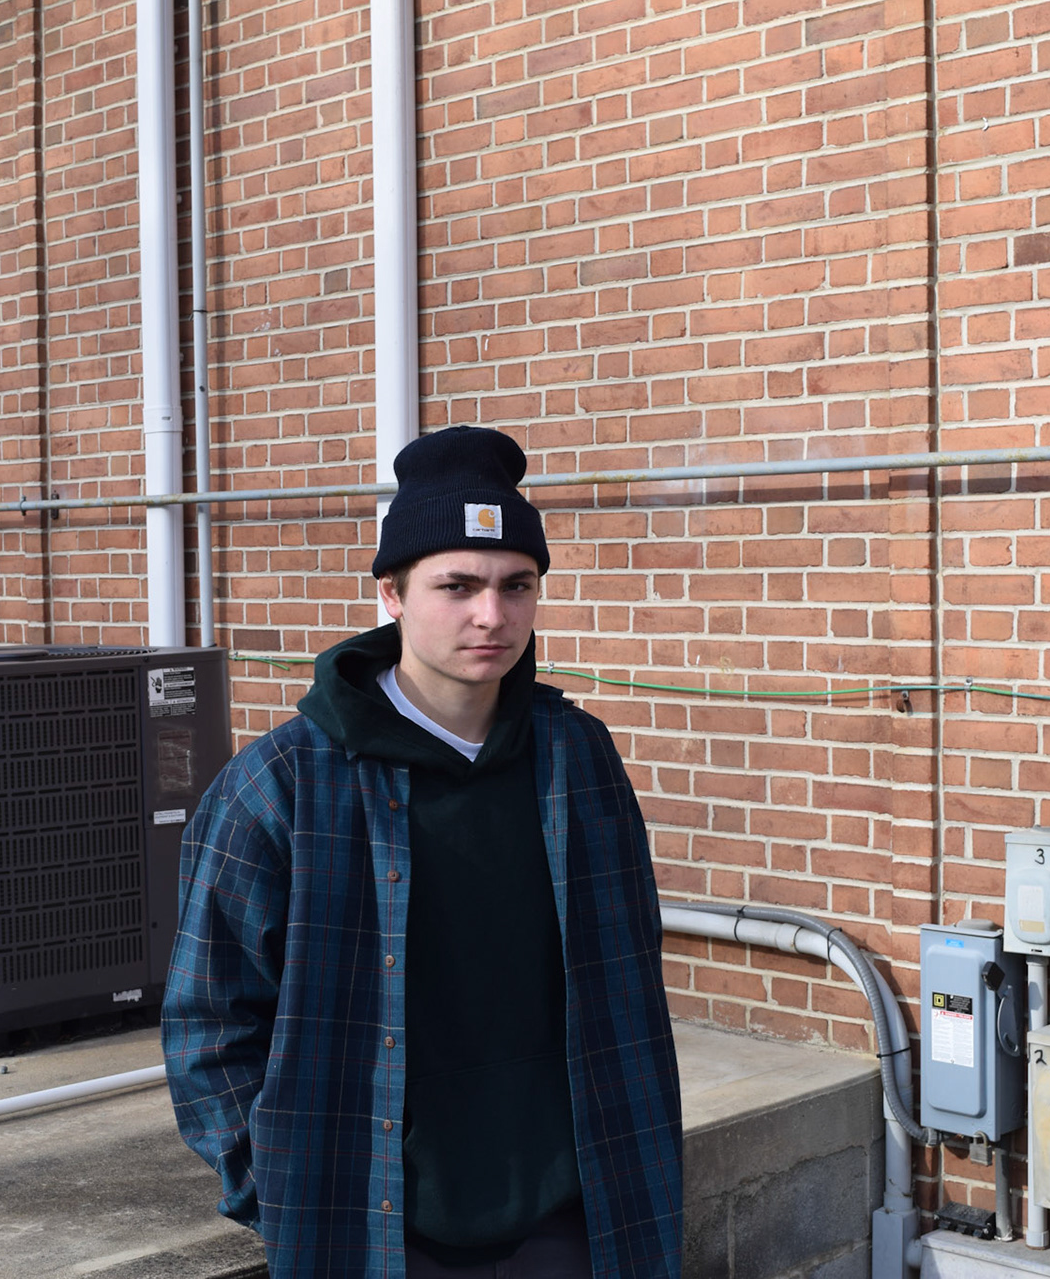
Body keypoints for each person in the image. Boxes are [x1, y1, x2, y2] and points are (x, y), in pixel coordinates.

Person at [162, 426, 683, 1279]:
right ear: (393, 594)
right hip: (374, 1223)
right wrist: (277, 1188)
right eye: (458, 585)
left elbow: (629, 980)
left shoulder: (577, 757)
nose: (492, 615)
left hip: (574, 1215)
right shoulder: (283, 783)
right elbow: (207, 1021)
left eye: (517, 585)